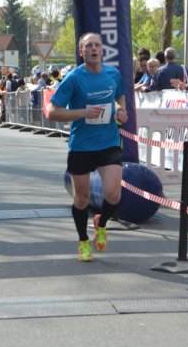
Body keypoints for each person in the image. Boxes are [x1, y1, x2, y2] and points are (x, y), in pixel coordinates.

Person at [47, 32, 128, 263]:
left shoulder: (113, 74)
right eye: (89, 46)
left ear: (102, 50)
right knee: (81, 199)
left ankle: (101, 224)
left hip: (108, 142)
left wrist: (120, 111)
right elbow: (52, 112)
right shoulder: (74, 78)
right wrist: (83, 113)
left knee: (114, 194)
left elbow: (119, 98)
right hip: (81, 146)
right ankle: (83, 240)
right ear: (81, 52)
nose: (94, 49)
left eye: (97, 45)